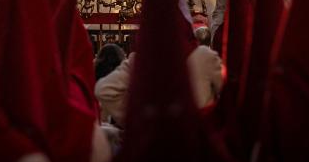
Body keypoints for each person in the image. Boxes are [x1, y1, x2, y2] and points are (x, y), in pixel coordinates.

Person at [95, 26, 223, 128]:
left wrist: (136, 122)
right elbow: (231, 96)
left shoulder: (140, 59)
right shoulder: (203, 56)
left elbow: (104, 89)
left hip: (153, 144)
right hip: (196, 144)